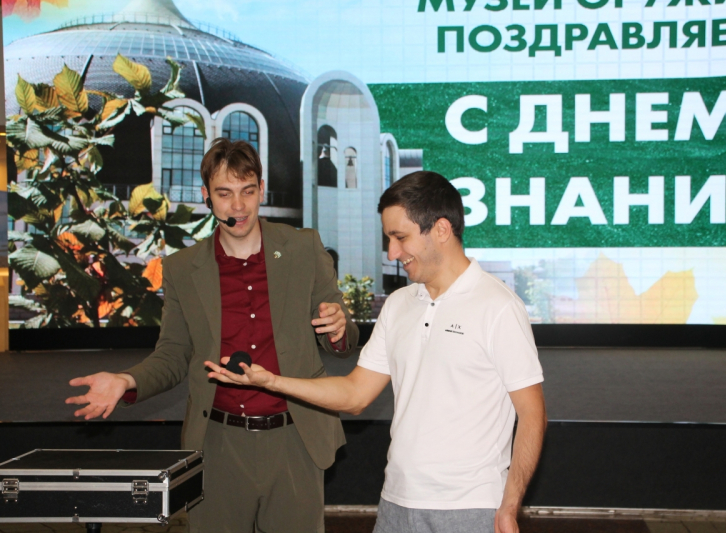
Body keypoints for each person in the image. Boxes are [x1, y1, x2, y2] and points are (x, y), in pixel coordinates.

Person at [206, 171, 547, 533]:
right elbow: (355, 394)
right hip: (396, 504)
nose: (392, 253)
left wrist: (509, 506)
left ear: (442, 230)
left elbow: (532, 415)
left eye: (400, 238)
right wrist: (271, 381)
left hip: (472, 509)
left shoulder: (498, 306)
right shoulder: (399, 304)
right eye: (389, 239)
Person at [66, 138, 359, 533]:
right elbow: (173, 355)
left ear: (261, 190)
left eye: (247, 191)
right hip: (218, 444)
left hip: (297, 438)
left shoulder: (303, 248)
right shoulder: (182, 268)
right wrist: (126, 380)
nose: (238, 206)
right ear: (206, 196)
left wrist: (338, 329)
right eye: (224, 193)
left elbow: (341, 337)